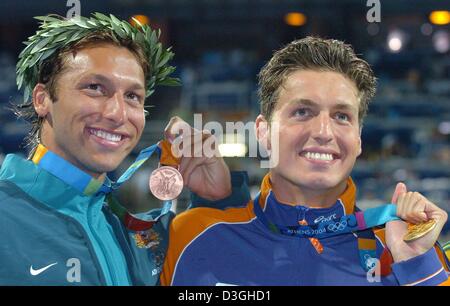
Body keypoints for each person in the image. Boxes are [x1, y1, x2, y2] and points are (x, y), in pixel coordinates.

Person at [161, 37, 450, 286]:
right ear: (262, 131)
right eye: (302, 112)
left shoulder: (403, 252)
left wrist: (417, 268)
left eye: (341, 116)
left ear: (359, 138)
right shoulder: (191, 236)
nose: (324, 132)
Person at [0, 13, 244, 285]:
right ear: (42, 99)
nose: (118, 114)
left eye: (132, 96)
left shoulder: (139, 237)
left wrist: (221, 199)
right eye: (94, 88)